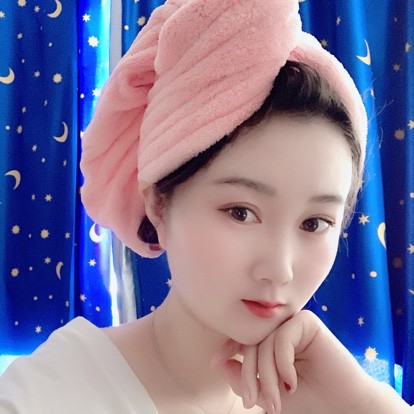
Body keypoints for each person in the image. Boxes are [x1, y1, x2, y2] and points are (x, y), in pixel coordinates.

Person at [0, 0, 412, 413]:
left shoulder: (324, 394)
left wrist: (362, 401)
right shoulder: (48, 394)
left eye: (314, 223)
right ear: (158, 204)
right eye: (241, 212)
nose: (280, 269)